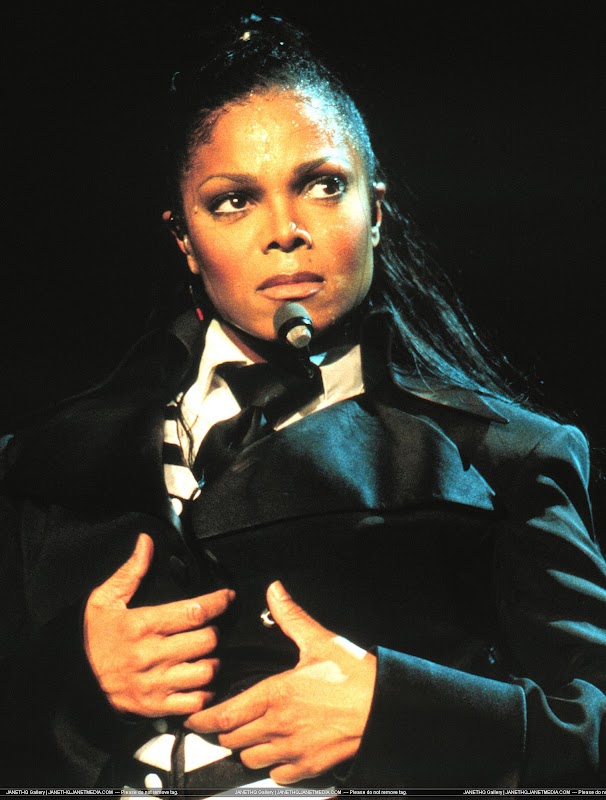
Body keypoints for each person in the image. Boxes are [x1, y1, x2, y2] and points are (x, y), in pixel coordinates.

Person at [1, 11, 604, 794]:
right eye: (233, 201)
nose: (285, 232)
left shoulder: (502, 456)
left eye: (322, 185)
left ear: (375, 212)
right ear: (183, 238)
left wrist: (396, 713)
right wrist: (74, 674)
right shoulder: (44, 463)